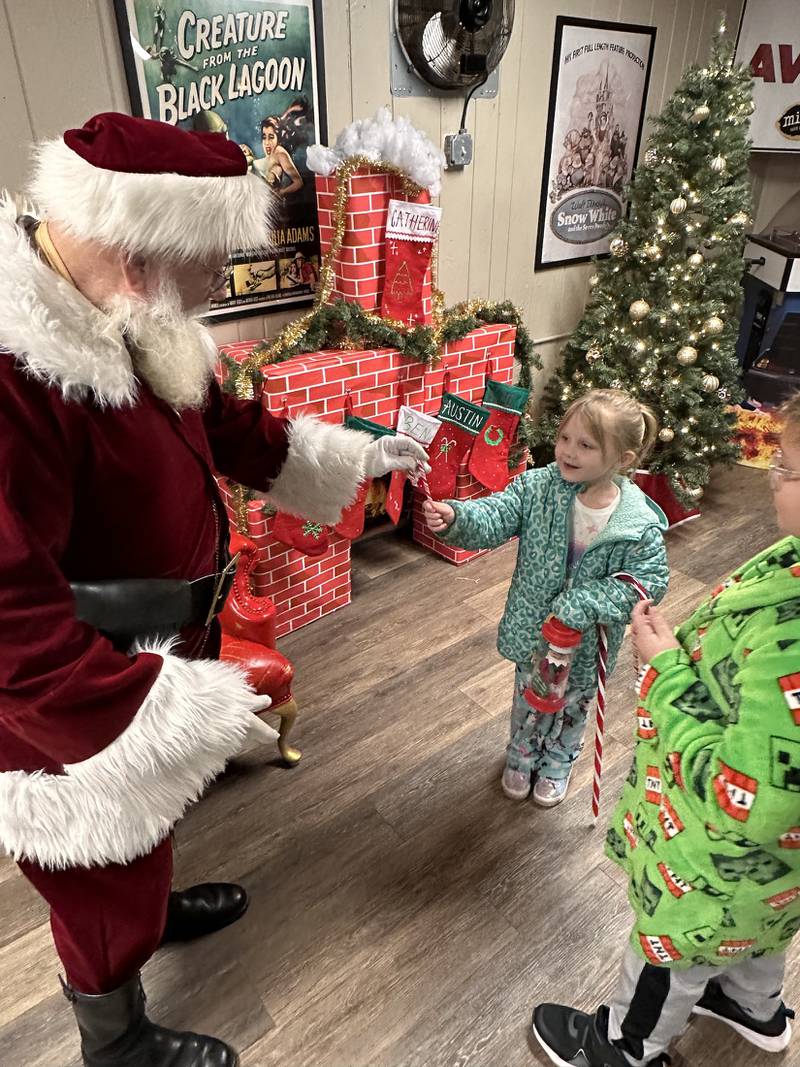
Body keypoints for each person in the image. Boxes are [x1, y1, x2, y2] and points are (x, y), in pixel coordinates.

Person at [0, 112, 427, 1067]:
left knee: (145, 850)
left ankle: (153, 904)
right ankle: (115, 1037)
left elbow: (225, 422)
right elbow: (7, 618)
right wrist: (132, 726)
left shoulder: (124, 309)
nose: (217, 288)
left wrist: (353, 457)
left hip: (157, 650)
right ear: (136, 253)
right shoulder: (16, 369)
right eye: (210, 267)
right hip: (76, 697)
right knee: (99, 879)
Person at [531, 394, 800, 1065]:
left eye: (788, 468)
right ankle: (752, 1003)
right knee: (762, 923)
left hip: (712, 860)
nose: (770, 475)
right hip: (772, 874)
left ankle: (622, 1043)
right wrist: (686, 654)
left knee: (670, 945)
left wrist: (665, 673)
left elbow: (749, 795)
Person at [423, 389, 669, 807]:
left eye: (586, 445)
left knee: (573, 705)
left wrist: (585, 602)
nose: (568, 452)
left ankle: (558, 758)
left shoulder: (636, 522)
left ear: (623, 459)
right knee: (527, 698)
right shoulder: (537, 487)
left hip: (587, 646)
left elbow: (647, 582)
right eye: (564, 438)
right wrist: (458, 518)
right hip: (534, 631)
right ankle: (521, 754)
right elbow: (497, 513)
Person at [252, 116, 303, 197]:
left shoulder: (280, 154)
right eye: (264, 137)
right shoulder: (270, 153)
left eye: (271, 137)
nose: (267, 143)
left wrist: (281, 193)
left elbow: (298, 182)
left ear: (278, 138)